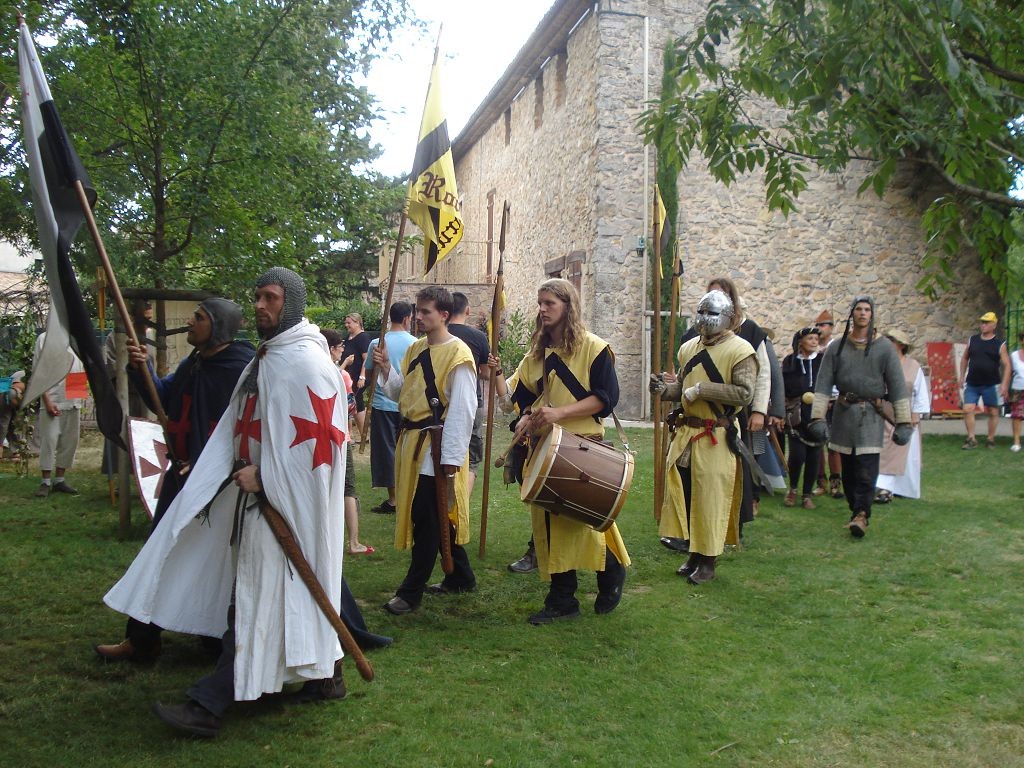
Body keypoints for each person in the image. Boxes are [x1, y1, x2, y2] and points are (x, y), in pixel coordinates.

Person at [104, 267, 350, 737]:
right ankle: (327, 676)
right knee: (283, 590)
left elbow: (320, 451)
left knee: (256, 597)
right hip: (256, 496)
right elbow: (238, 422)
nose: (260, 305)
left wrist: (267, 475)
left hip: (282, 503)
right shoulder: (269, 357)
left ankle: (209, 704)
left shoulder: (306, 365)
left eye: (271, 297)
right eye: (257, 296)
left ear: (291, 303)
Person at [95, 298, 255, 663]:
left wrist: (208, 462)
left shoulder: (240, 368)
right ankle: (142, 639)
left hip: (219, 483)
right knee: (162, 550)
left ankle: (214, 635)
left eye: (199, 318)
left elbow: (242, 426)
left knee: (215, 559)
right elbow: (164, 398)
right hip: (181, 475)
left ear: (218, 326)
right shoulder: (196, 362)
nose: (191, 323)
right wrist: (143, 369)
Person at [499, 278, 629, 623]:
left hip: (583, 444)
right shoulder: (537, 353)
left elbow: (605, 399)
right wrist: (523, 415)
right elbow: (521, 399)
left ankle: (608, 572)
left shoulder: (594, 348)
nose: (542, 309)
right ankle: (564, 600)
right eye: (540, 303)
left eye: (550, 303)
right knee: (550, 523)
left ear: (568, 306)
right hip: (546, 447)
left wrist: (559, 413)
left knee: (580, 521)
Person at [374, 286, 478, 616]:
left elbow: (463, 410)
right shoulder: (416, 348)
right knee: (434, 515)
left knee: (427, 520)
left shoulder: (459, 354)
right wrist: (385, 369)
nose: (418, 317)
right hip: (413, 446)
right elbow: (402, 394)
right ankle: (461, 577)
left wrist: (450, 461)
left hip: (437, 448)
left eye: (425, 312)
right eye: (417, 311)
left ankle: (411, 592)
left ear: (444, 315)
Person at [652, 286, 757, 585]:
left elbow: (744, 393)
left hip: (716, 434)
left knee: (710, 499)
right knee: (687, 495)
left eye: (712, 312)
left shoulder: (741, 351)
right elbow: (682, 388)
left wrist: (703, 390)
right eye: (701, 311)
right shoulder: (689, 348)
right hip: (687, 433)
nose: (705, 317)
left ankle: (708, 561)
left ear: (728, 316)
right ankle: (693, 554)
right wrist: (663, 390)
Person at [807, 296, 912, 538]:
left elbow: (897, 386)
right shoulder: (837, 347)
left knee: (866, 468)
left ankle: (862, 515)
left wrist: (904, 422)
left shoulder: (884, 348)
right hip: (844, 413)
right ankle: (856, 509)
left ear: (872, 314)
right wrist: (817, 417)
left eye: (867, 310)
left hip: (870, 415)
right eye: (859, 309)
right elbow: (823, 384)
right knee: (849, 472)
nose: (863, 313)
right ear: (852, 314)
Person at [322, 328, 373, 555]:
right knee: (347, 489)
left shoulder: (312, 373)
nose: (342, 350)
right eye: (340, 346)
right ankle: (353, 542)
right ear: (332, 349)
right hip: (340, 437)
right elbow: (350, 407)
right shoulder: (340, 375)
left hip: (317, 439)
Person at [363, 301, 417, 514]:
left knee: (387, 452)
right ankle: (408, 495)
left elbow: (369, 373)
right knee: (408, 449)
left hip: (383, 403)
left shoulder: (377, 342)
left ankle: (394, 498)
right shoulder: (415, 344)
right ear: (407, 318)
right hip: (408, 405)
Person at [875, 329, 930, 501]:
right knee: (884, 454)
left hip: (905, 418)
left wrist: (915, 415)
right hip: (883, 416)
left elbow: (920, 392)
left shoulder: (913, 366)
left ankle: (903, 489)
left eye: (891, 341)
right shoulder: (880, 364)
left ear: (900, 345)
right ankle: (884, 488)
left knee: (906, 454)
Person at [446, 291, 491, 497]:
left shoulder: (440, 334)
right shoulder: (478, 337)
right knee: (471, 458)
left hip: (444, 402)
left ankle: (446, 503)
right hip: (472, 401)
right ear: (468, 310)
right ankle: (460, 504)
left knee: (445, 454)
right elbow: (486, 373)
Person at [32, 332, 84, 497]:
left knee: (70, 441)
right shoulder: (44, 338)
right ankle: (45, 481)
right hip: (52, 397)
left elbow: (80, 365)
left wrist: (77, 398)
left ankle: (60, 480)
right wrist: (47, 400)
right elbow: (38, 371)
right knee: (49, 440)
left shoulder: (75, 337)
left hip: (73, 395)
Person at [780, 327, 823, 509]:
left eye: (816, 339)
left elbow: (830, 383)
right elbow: (783, 387)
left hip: (817, 412)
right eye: (810, 338)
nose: (814, 342)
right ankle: (793, 489)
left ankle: (806, 495)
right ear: (800, 342)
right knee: (797, 455)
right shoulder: (790, 362)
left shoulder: (822, 361)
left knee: (814, 455)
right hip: (796, 413)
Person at [959, 311, 1011, 449]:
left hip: (992, 384)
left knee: (993, 411)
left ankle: (990, 439)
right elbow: (964, 358)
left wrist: (1005, 384)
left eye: (987, 322)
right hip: (972, 383)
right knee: (968, 409)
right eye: (982, 322)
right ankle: (971, 439)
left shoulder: (1000, 344)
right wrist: (961, 376)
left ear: (994, 325)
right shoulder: (973, 340)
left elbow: (1007, 365)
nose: (983, 325)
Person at [343, 313, 373, 440]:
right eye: (346, 323)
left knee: (357, 402)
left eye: (349, 323)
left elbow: (366, 358)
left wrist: (362, 376)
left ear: (357, 323)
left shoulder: (363, 338)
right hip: (350, 376)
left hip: (359, 377)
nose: (346, 325)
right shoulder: (348, 337)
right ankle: (360, 435)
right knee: (354, 404)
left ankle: (364, 435)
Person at [1009, 331, 1024, 453]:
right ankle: (1016, 442)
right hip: (1018, 389)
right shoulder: (1014, 355)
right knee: (1017, 416)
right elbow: (1008, 372)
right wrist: (1004, 387)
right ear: (1021, 340)